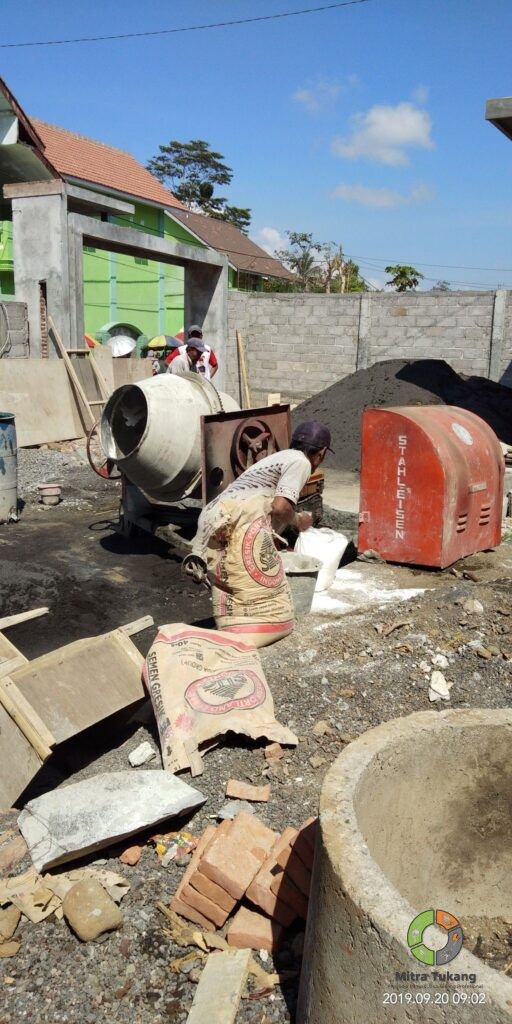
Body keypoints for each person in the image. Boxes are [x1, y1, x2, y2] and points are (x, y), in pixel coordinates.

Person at [183, 421, 332, 647]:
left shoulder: (279, 457)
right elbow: (280, 507)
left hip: (214, 515)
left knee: (232, 583)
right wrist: (297, 520)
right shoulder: (301, 462)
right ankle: (243, 638)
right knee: (251, 582)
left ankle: (236, 630)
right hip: (235, 519)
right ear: (321, 453)